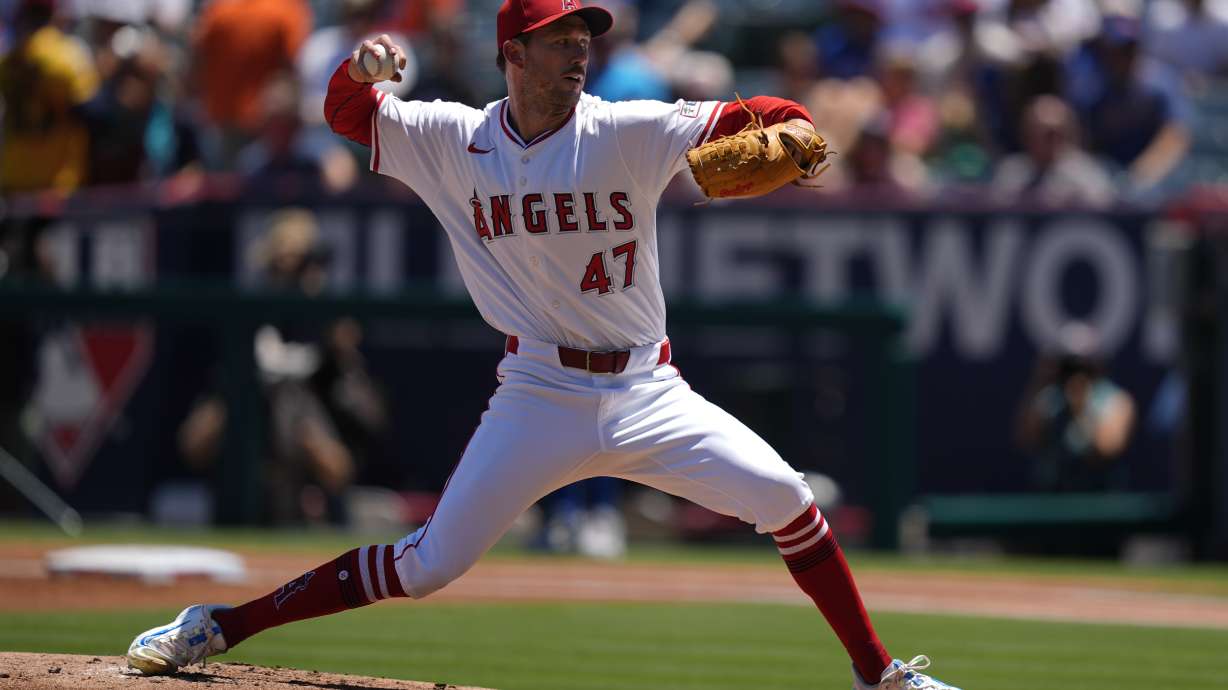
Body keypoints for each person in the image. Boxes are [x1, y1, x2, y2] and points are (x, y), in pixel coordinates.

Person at [125, 3, 961, 689]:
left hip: (647, 390)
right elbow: (346, 113)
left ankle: (879, 675)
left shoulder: (626, 128)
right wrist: (359, 68)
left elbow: (775, 118)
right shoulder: (451, 139)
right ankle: (217, 626)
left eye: (584, 40)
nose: (578, 54)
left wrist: (796, 127)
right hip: (536, 391)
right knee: (426, 567)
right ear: (512, 54)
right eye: (559, 40)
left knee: (788, 500)